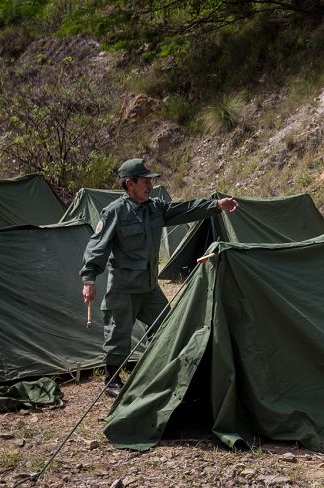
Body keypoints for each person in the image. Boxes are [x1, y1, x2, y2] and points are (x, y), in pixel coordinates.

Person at [81, 158, 239, 397]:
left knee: (167, 325)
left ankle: (160, 369)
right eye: (145, 182)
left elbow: (184, 209)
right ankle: (112, 381)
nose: (150, 187)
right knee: (118, 334)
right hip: (123, 288)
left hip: (149, 287)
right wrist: (89, 279)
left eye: (150, 182)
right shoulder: (114, 212)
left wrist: (215, 205)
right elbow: (97, 247)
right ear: (129, 183)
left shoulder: (155, 208)